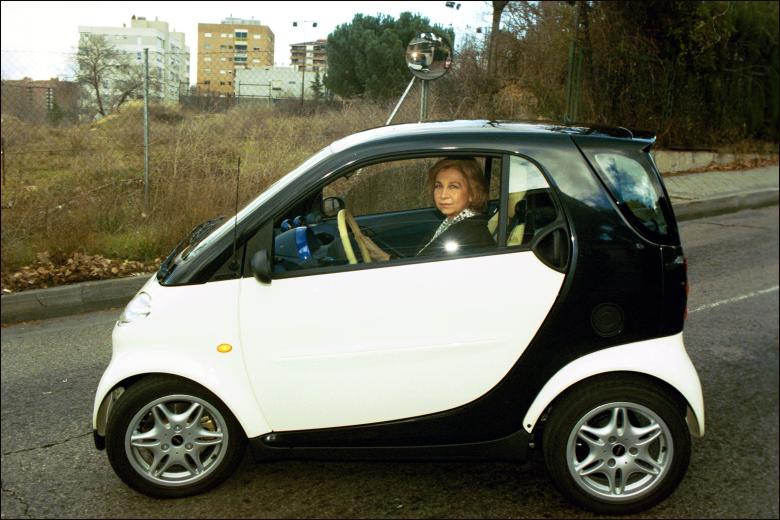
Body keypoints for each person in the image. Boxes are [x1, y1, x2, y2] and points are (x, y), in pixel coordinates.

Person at [417, 157, 495, 257]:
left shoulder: (472, 236)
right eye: (439, 186)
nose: (443, 195)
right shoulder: (451, 223)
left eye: (453, 186)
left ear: (472, 193)